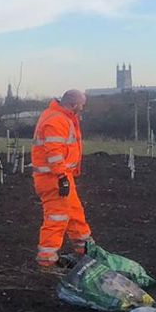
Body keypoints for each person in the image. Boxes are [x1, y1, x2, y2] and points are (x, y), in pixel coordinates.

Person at [32, 89, 93, 269]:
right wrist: (61, 177)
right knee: (56, 218)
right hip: (53, 179)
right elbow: (54, 154)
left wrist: (65, 176)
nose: (83, 108)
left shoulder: (60, 117)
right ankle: (47, 262)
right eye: (82, 105)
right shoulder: (56, 120)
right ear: (74, 104)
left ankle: (86, 251)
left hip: (61, 177)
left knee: (75, 214)